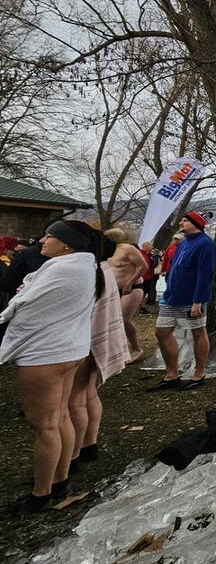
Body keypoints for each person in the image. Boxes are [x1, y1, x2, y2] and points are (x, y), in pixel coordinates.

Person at [0, 220, 108, 514]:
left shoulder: (62, 269)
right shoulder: (86, 268)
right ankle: (59, 480)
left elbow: (24, 306)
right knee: (60, 417)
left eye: (51, 236)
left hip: (45, 354)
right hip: (70, 350)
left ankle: (40, 494)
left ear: (67, 245)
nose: (43, 241)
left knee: (45, 425)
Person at [67, 237, 129, 475]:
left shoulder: (89, 272)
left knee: (75, 400)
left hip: (83, 341)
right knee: (88, 393)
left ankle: (71, 455)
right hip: (92, 338)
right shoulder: (103, 269)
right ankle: (88, 444)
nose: (43, 241)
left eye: (51, 236)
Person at [150, 211, 216, 392]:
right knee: (162, 331)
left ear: (196, 223)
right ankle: (172, 375)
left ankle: (199, 374)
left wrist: (198, 301)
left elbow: (205, 274)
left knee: (198, 333)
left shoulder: (205, 244)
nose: (181, 222)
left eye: (185, 220)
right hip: (171, 297)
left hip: (191, 299)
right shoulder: (184, 242)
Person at [104, 229, 148, 363]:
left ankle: (136, 349)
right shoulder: (106, 251)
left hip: (132, 289)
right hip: (112, 289)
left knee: (123, 318)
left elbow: (143, 266)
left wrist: (129, 282)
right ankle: (116, 350)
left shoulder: (127, 249)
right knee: (109, 320)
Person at [139, 241, 161, 312]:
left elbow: (153, 264)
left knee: (145, 292)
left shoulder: (150, 255)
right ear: (146, 246)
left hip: (149, 277)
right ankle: (138, 307)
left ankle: (142, 307)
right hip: (142, 277)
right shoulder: (140, 254)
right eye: (151, 246)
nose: (152, 247)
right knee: (141, 292)